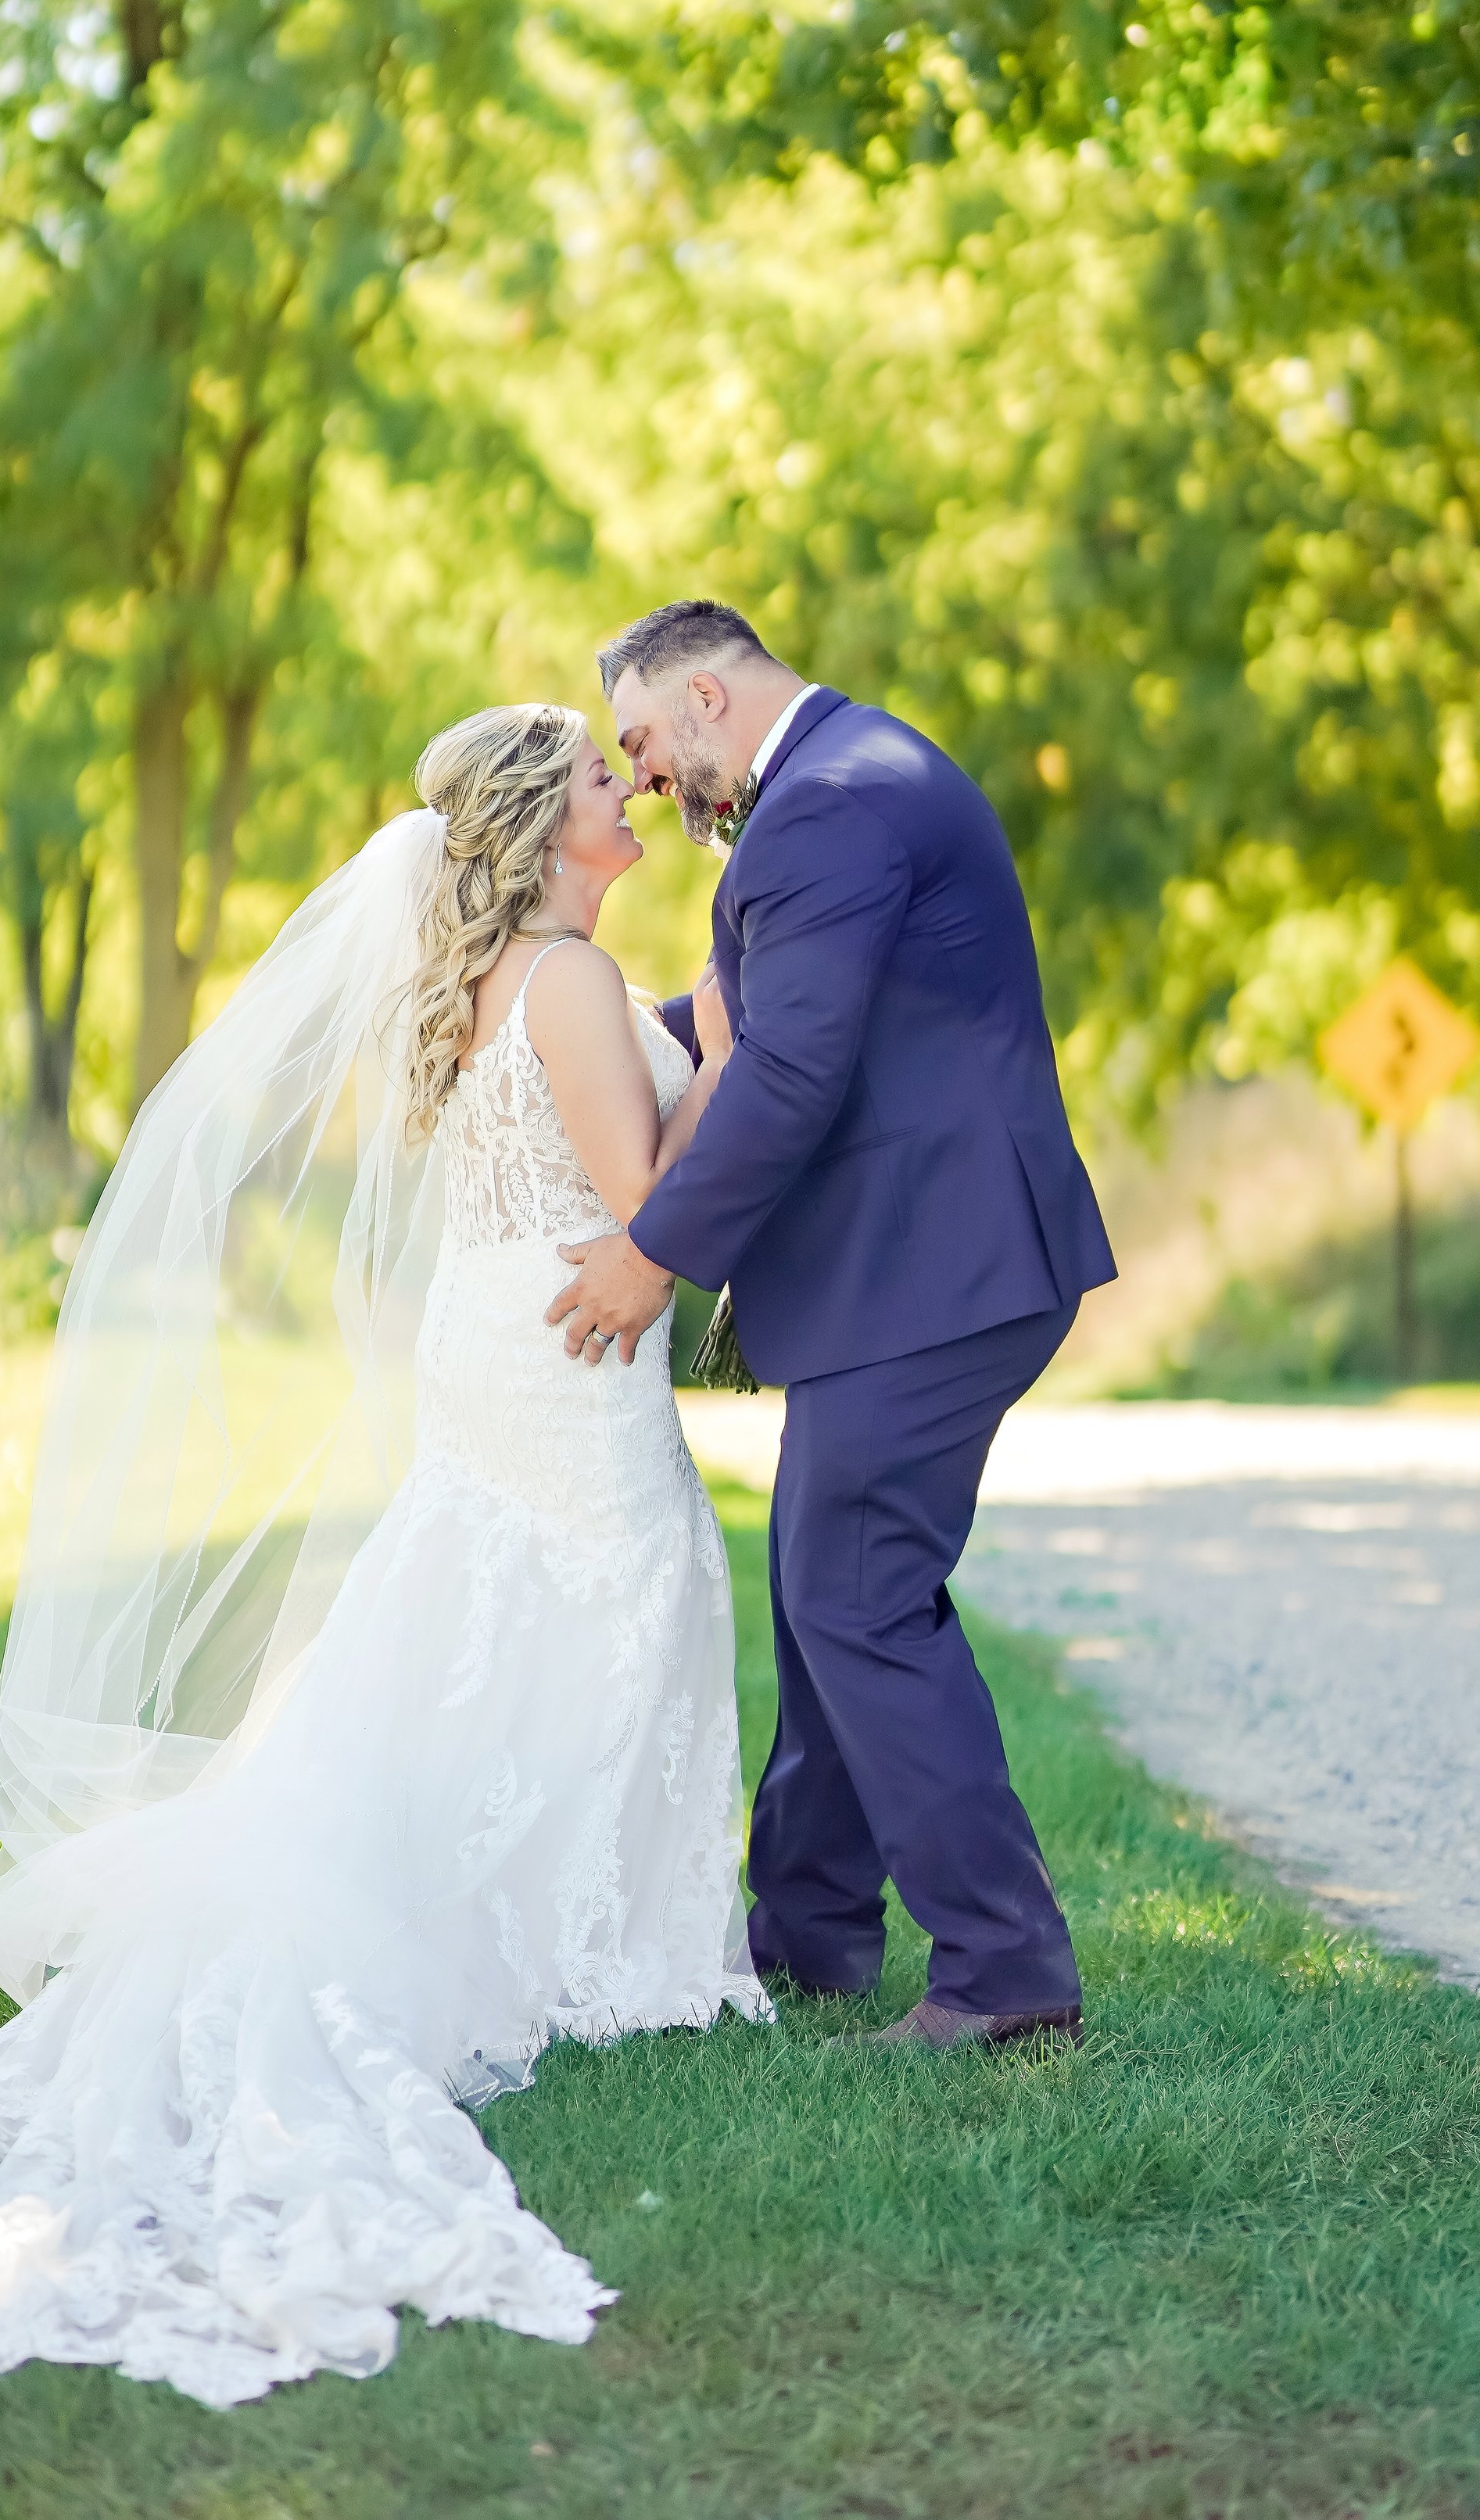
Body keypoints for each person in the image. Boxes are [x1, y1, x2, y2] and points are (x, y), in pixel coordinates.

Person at [0, 704, 769, 2407]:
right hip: (562, 1342)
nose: (635, 788)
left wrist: (698, 1023)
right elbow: (641, 1200)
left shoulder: (489, 983)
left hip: (489, 1334)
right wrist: (744, 1057)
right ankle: (602, 1953)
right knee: (612, 1600)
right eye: (608, 779)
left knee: (482, 1613)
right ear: (547, 829)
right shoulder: (572, 983)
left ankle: (563, 1924)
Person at [552, 601, 1116, 2049]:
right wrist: (574, 1031)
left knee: (858, 1599)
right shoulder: (846, 784)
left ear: (705, 696)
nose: (646, 777)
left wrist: (648, 1256)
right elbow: (757, 1013)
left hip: (938, 1270)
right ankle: (807, 1937)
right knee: (828, 1597)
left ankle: (1003, 1975)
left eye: (640, 742)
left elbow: (791, 1077)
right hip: (928, 1265)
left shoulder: (831, 808)